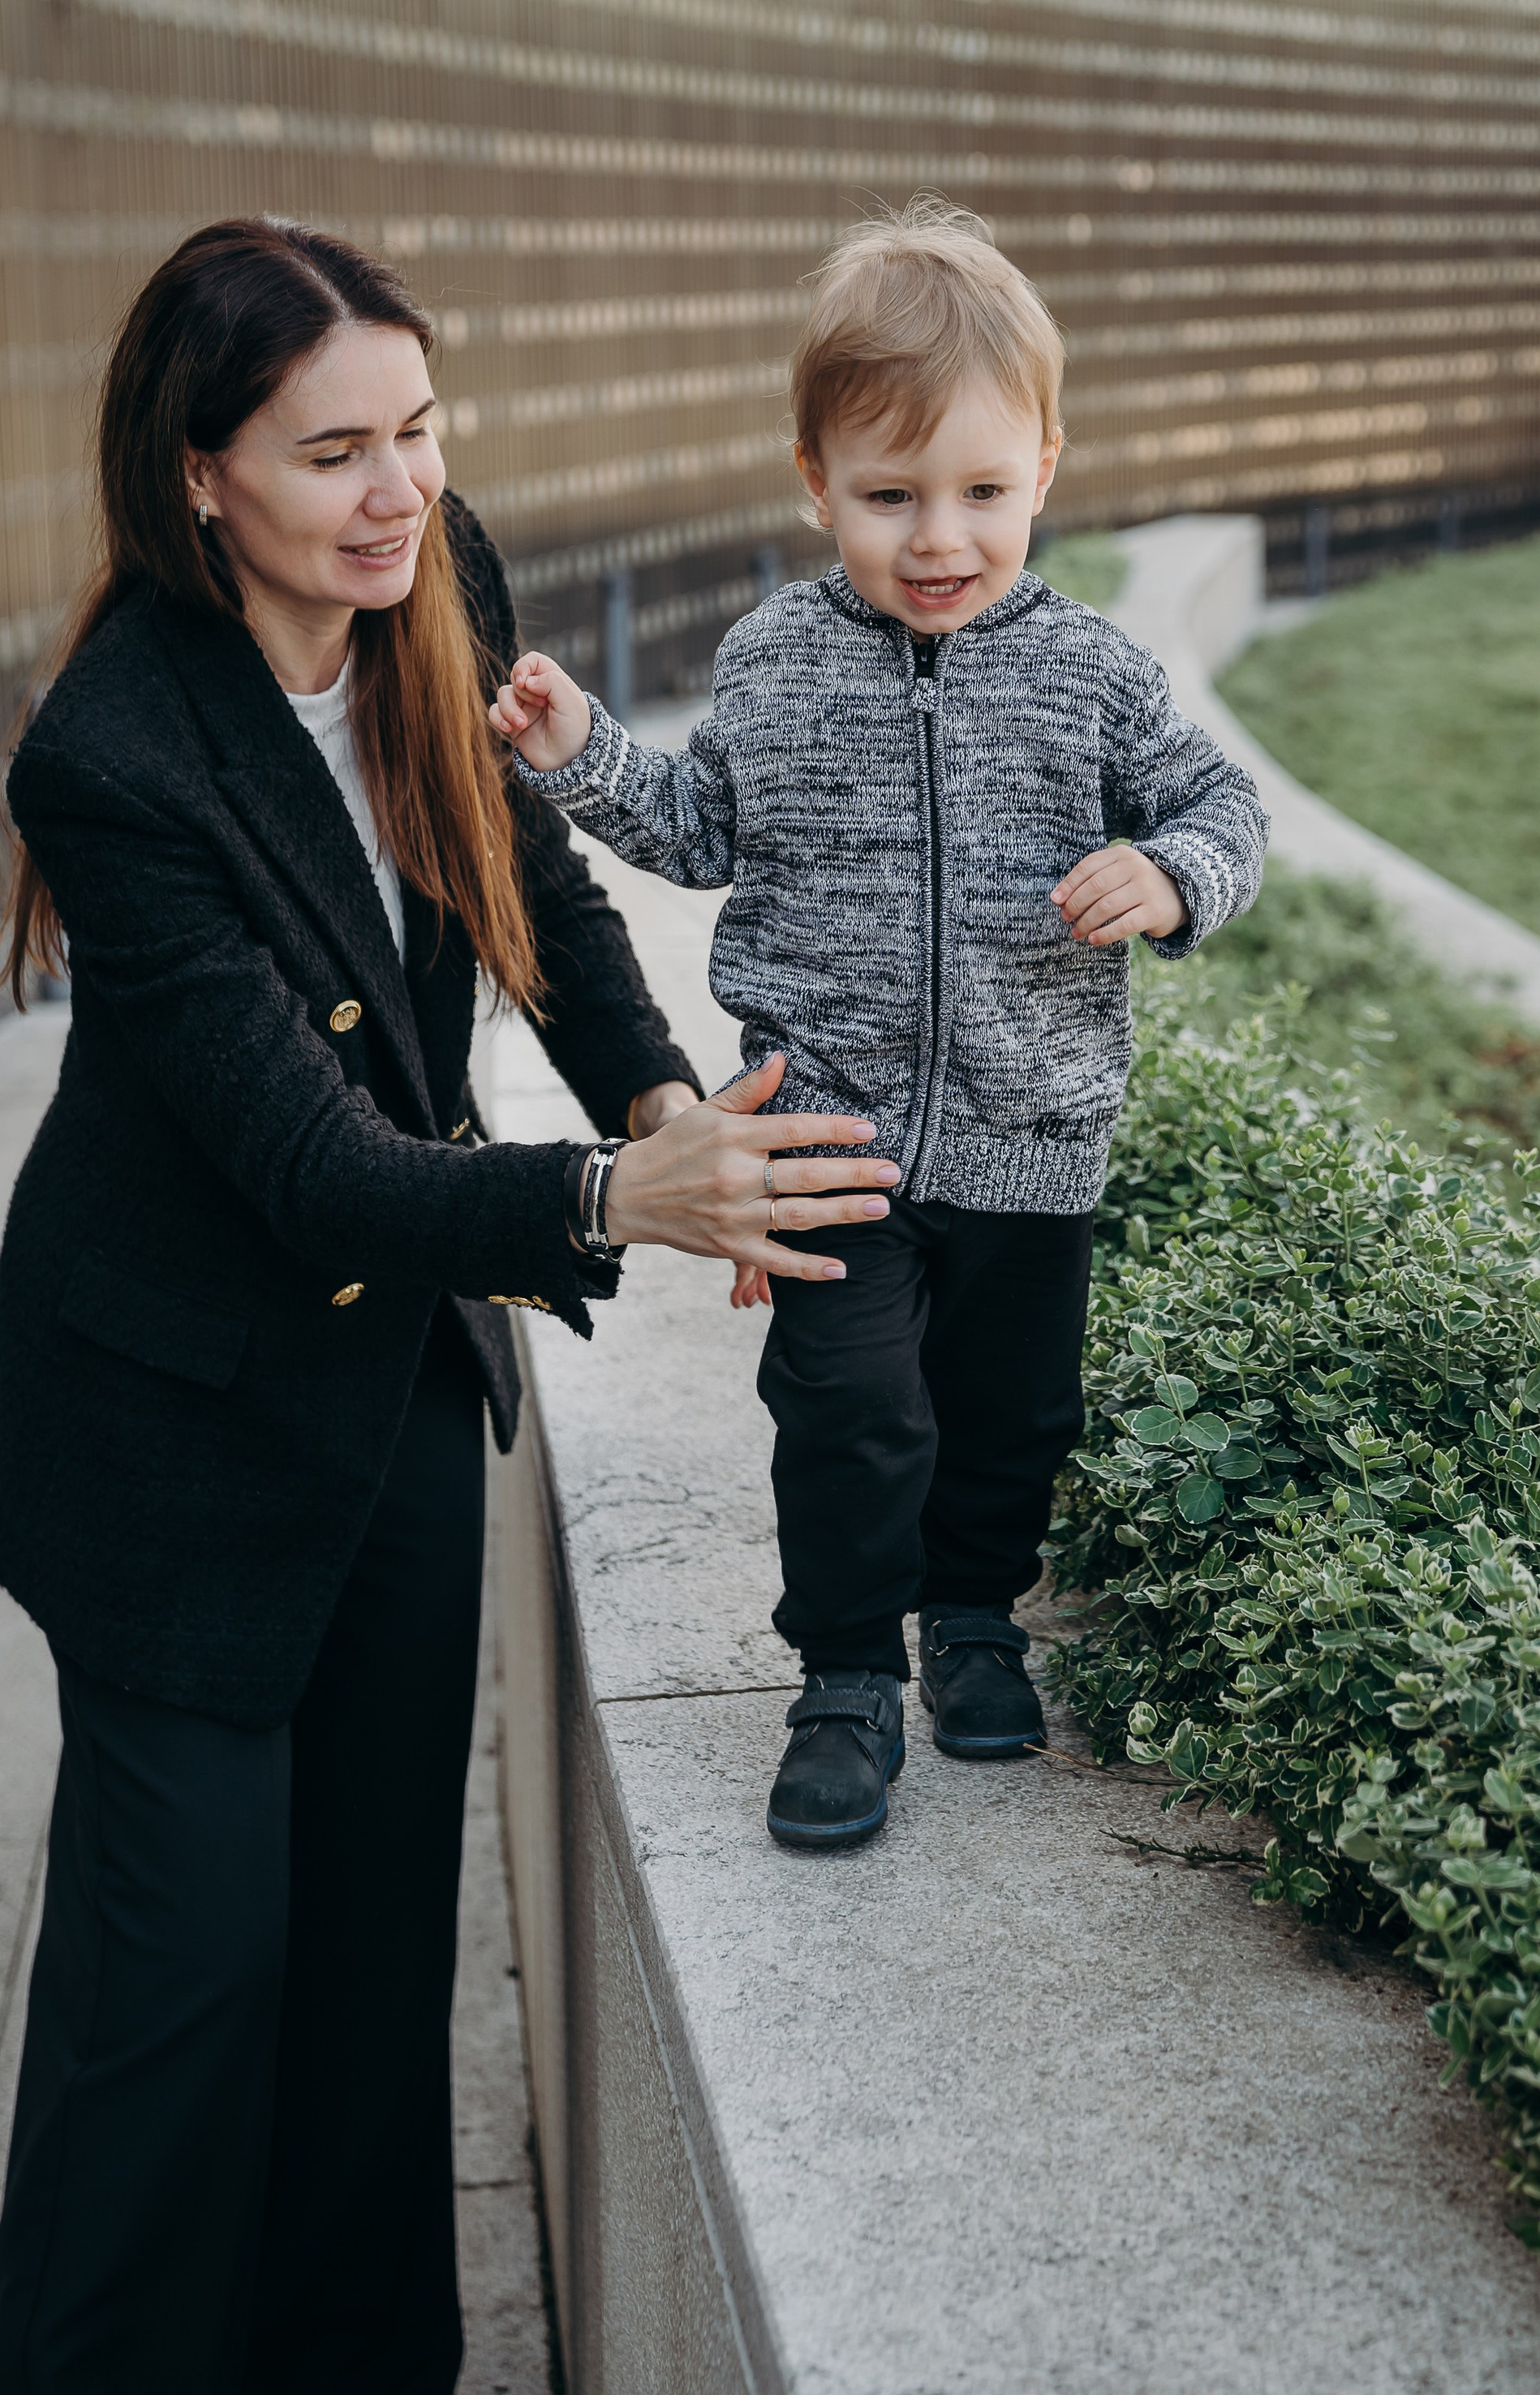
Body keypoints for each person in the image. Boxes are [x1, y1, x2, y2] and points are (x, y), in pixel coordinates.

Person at [0, 218, 897, 2395]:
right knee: (182, 2003)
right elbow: (307, 1168)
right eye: (331, 455)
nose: (394, 493)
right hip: (170, 1445)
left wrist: (684, 1120)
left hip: (389, 1400)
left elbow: (538, 890)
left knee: (376, 1985)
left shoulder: (434, 569)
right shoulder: (112, 754)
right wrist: (611, 1192)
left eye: (417, 431)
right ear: (200, 475)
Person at [491, 200, 1267, 1852]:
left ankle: (970, 1619)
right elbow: (697, 827)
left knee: (1008, 1416)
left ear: (1044, 467)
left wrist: (1169, 870)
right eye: (888, 495)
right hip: (829, 1134)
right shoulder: (773, 660)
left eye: (981, 492)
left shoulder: (1091, 674)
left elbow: (1221, 801)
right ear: (811, 480)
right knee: (848, 1413)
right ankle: (842, 1674)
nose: (937, 536)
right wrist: (580, 753)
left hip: (1029, 1131)